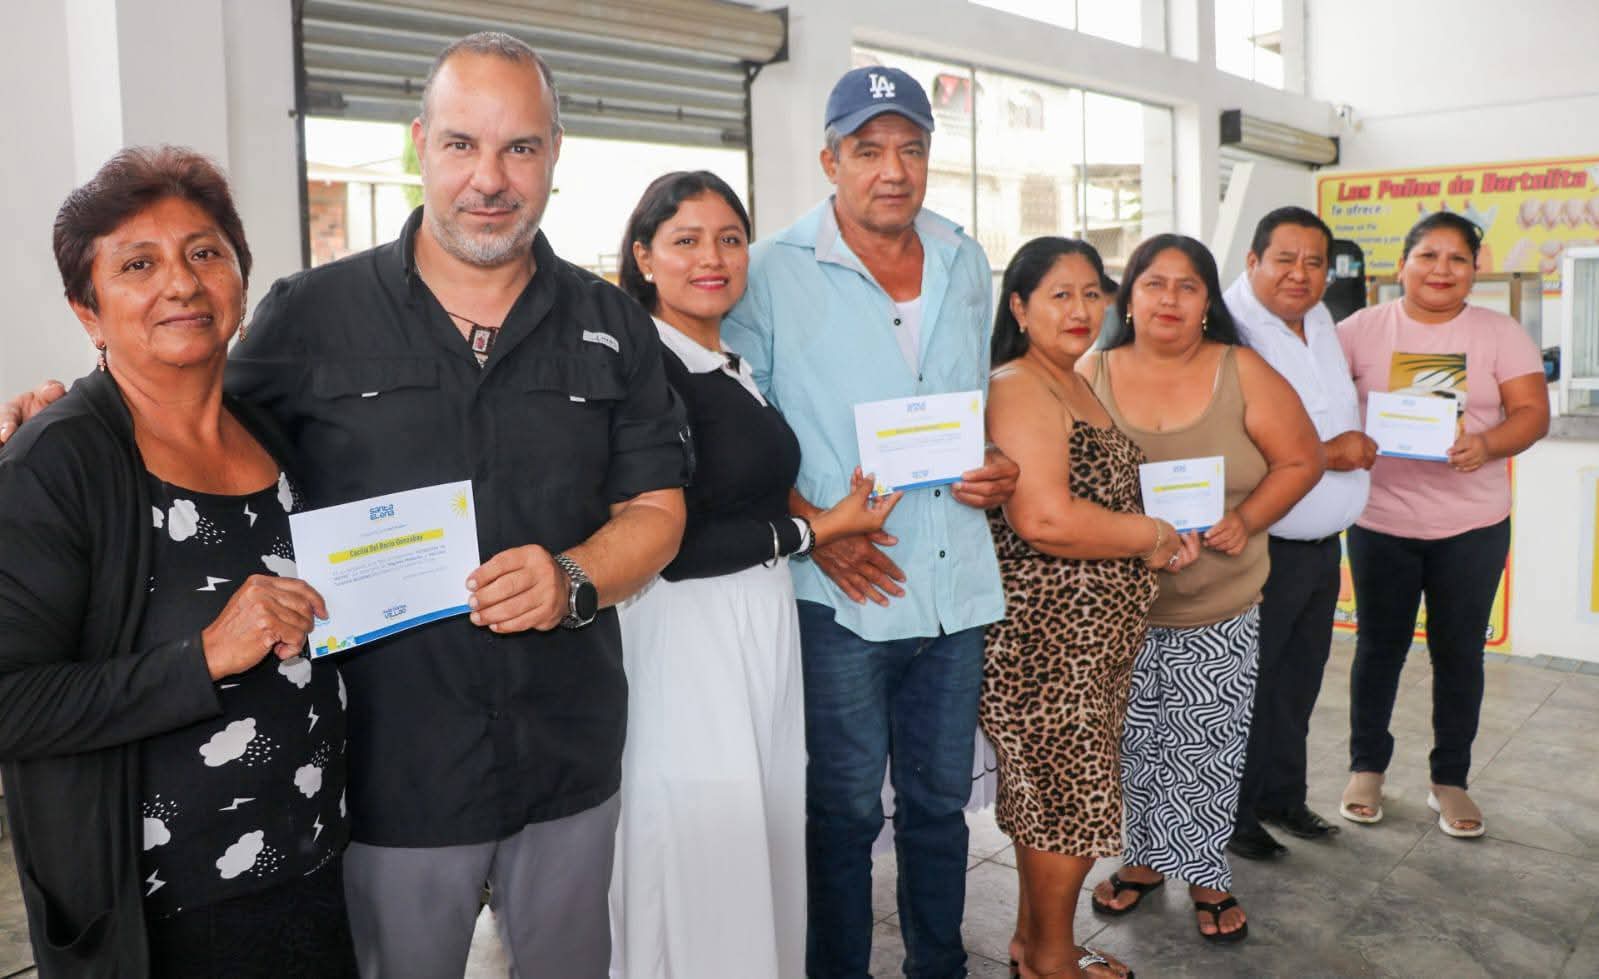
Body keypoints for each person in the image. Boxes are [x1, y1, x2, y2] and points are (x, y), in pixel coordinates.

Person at [1, 33, 692, 977]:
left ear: (554, 154)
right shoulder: (309, 315)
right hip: (379, 780)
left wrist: (573, 577)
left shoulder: (610, 321)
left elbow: (657, 507)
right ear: (419, 144)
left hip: (562, 757)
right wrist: (65, 408)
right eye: (461, 143)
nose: (489, 178)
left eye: (520, 147)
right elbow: (179, 388)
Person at [0, 146, 352, 977]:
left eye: (204, 252)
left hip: (312, 869)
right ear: (88, 312)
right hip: (162, 913)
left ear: (240, 280)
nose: (183, 283)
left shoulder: (273, 434)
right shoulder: (56, 463)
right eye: (138, 264)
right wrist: (205, 656)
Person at [722, 65, 1019, 978]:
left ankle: (940, 964)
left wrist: (996, 465)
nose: (892, 169)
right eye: (867, 149)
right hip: (841, 593)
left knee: (938, 808)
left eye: (910, 149)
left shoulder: (964, 259)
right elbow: (737, 424)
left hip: (953, 585)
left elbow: (969, 404)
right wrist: (816, 525)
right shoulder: (771, 270)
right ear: (830, 160)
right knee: (844, 812)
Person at [610, 171, 899, 978]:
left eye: (729, 239)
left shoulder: (721, 359)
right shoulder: (647, 369)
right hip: (689, 631)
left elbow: (743, 492)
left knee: (754, 823)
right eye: (686, 240)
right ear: (643, 256)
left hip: (752, 619)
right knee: (704, 832)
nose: (712, 257)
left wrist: (831, 514)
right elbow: (674, 545)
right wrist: (817, 529)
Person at [1081, 234, 1321, 944]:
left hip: (1217, 601)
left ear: (1208, 302)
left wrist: (1245, 520)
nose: (1170, 299)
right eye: (1153, 283)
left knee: (1205, 745)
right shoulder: (1089, 370)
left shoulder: (1240, 369)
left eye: (1188, 286)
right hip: (1115, 607)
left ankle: (1207, 874)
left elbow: (1301, 459)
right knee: (1131, 744)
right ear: (1129, 298)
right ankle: (1143, 860)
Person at [981, 237, 1198, 979]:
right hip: (1046, 640)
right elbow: (1043, 518)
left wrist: (1156, 536)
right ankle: (1051, 959)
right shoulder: (1019, 385)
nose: (1080, 309)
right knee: (1068, 801)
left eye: (1091, 293)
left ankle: (1034, 941)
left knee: (1050, 800)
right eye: (1059, 295)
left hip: (1090, 639)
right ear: (1018, 307)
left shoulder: (1069, 380)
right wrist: (1152, 535)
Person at [1336, 211, 1548, 838]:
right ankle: (1366, 768)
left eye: (1457, 259)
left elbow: (1531, 413)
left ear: (1475, 270)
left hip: (1471, 525)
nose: (1441, 270)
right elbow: (1315, 403)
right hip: (1381, 520)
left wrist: (1486, 444)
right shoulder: (1359, 330)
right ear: (1402, 263)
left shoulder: (1499, 333)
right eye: (1428, 255)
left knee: (1459, 654)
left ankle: (1450, 779)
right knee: (1378, 649)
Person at [1222, 207, 1375, 862]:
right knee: (1249, 688)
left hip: (1318, 545)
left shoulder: (1319, 320)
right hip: (1262, 545)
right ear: (1252, 260)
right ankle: (1234, 814)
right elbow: (1228, 438)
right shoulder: (1227, 329)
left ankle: (1281, 796)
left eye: (1314, 262)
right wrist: (1330, 453)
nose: (1300, 274)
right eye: (1284, 259)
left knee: (1298, 682)